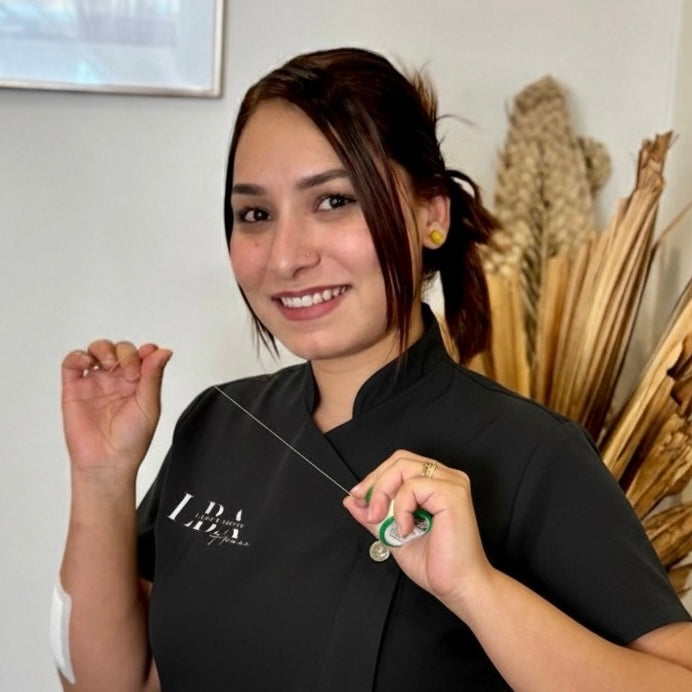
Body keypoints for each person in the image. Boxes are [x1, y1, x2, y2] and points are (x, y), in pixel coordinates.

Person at [57, 48, 692, 691]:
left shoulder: (530, 455)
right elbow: (117, 684)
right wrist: (101, 477)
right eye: (256, 214)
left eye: (334, 200)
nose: (285, 257)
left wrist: (476, 589)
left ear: (431, 216)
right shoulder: (220, 422)